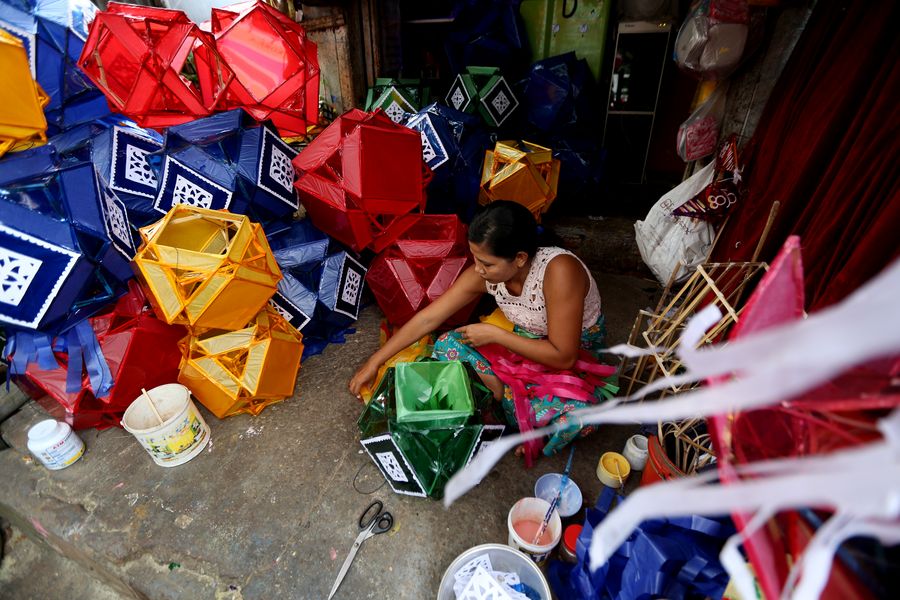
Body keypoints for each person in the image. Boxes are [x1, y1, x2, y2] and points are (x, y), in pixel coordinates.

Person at [349, 201, 611, 454]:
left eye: (487, 263)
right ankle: (510, 400)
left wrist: (497, 335)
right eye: (476, 258)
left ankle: (510, 404)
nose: (479, 269)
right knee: (447, 344)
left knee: (578, 419)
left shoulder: (560, 271)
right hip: (522, 348)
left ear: (520, 258)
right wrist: (375, 361)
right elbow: (429, 319)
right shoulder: (484, 273)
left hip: (572, 362)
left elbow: (564, 356)